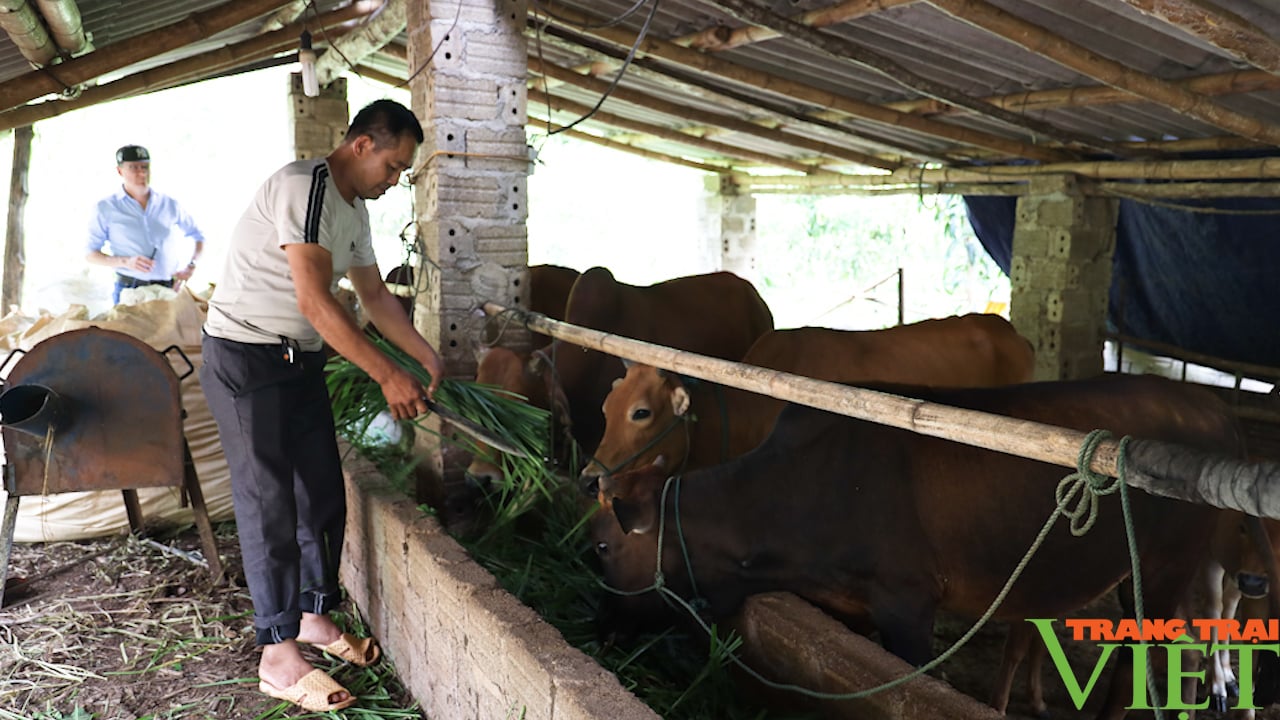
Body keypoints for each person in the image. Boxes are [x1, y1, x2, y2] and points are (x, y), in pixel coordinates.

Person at [200, 100, 444, 713]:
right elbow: (315, 299)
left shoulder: (354, 209)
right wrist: (388, 373)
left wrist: (427, 357)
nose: (394, 180)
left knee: (321, 492)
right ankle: (277, 654)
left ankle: (311, 617)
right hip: (246, 357)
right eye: (392, 166)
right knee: (268, 499)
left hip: (298, 360)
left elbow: (374, 296)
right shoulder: (302, 185)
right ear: (361, 145)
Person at [86, 145, 206, 303]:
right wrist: (126, 262)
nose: (141, 172)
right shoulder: (105, 208)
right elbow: (90, 254)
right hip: (130, 290)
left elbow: (198, 236)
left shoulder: (169, 204)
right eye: (134, 167)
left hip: (168, 291)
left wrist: (191, 266)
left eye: (145, 167)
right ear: (120, 171)